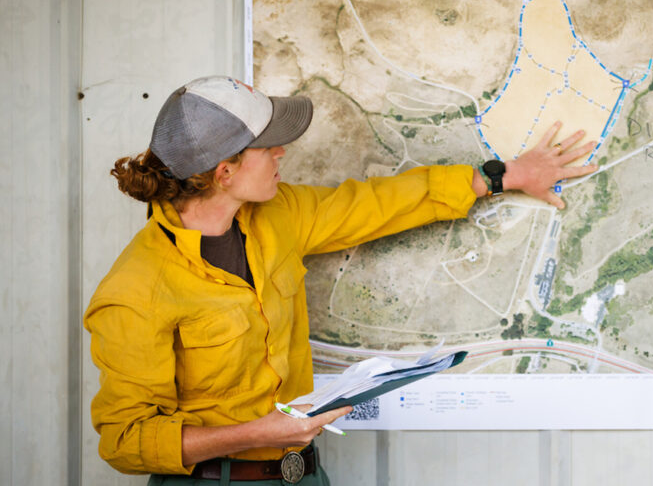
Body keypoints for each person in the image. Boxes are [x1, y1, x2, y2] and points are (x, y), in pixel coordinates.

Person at [84, 76, 596, 484]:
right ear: (224, 171)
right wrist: (260, 432)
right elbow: (126, 441)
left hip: (304, 476)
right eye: (270, 147)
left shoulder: (277, 215)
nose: (282, 154)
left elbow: (375, 204)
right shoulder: (135, 289)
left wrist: (499, 176)